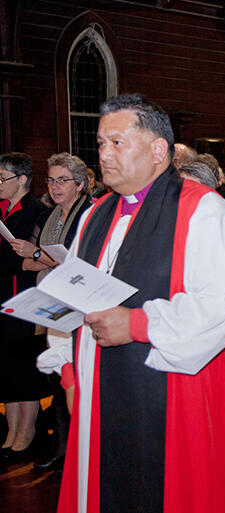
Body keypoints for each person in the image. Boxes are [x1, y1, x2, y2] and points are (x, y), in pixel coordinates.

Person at [35, 94, 225, 513]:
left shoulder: (204, 211)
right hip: (96, 393)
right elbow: (70, 295)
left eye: (117, 142)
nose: (104, 154)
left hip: (173, 398)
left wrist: (136, 325)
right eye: (100, 144)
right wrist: (66, 369)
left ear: (158, 149)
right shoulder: (95, 214)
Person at [9, 153, 92, 469]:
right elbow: (29, 261)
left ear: (80, 184)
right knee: (58, 378)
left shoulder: (87, 213)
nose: (56, 187)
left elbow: (78, 261)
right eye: (52, 180)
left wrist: (40, 255)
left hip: (76, 303)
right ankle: (62, 448)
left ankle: (75, 448)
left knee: (72, 375)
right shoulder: (53, 214)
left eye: (63, 180)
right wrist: (41, 256)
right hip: (51, 301)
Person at [0, 152, 49, 462]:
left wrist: (27, 254)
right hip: (2, 296)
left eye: (2, 178)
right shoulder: (2, 211)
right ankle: (11, 432)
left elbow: (43, 258)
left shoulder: (36, 211)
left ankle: (27, 433)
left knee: (23, 367)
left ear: (22, 180)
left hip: (24, 299)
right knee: (4, 368)